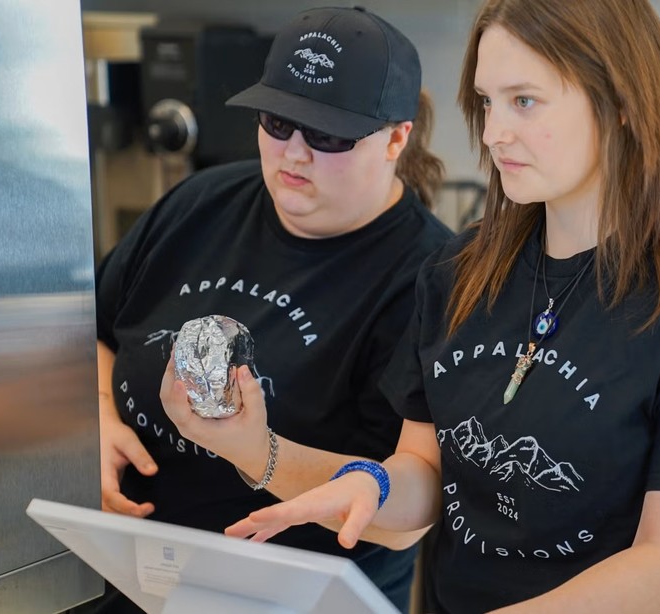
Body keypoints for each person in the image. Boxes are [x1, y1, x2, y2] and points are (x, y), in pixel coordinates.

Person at [164, 0, 660, 611]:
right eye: (487, 103)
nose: (493, 135)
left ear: (624, 102)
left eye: (524, 101)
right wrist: (370, 483)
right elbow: (423, 474)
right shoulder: (459, 271)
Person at [93, 6, 452, 612]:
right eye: (277, 122)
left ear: (396, 137)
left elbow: (404, 519)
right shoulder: (199, 203)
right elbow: (100, 337)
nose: (294, 155)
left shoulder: (432, 280)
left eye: (329, 135)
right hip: (124, 577)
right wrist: (98, 419)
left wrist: (257, 452)